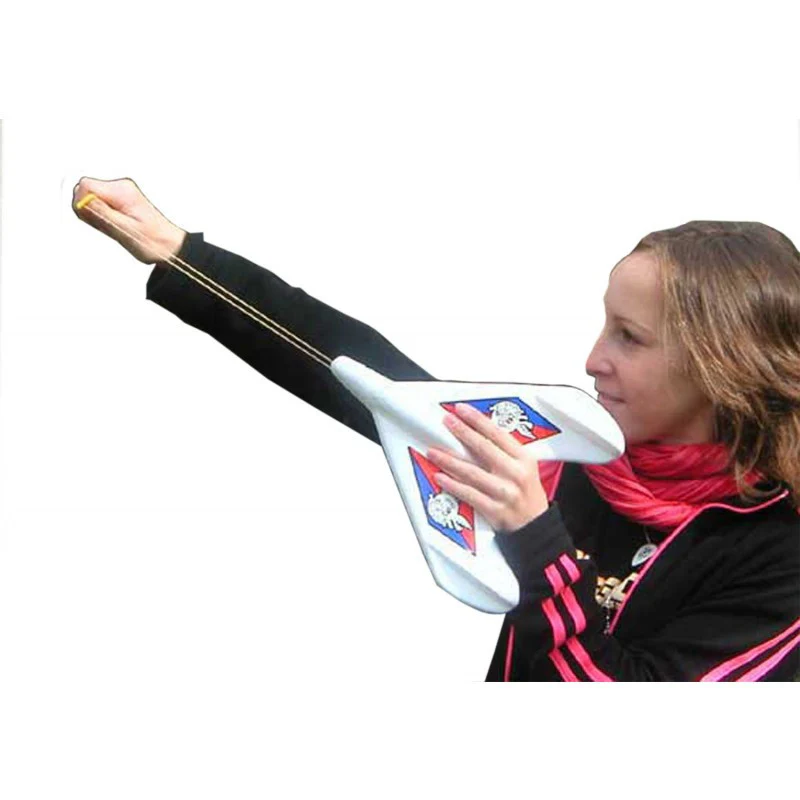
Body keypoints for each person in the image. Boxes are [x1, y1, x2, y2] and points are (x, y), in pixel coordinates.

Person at [72, 176, 800, 681]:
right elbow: (371, 385)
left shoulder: (782, 555)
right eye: (604, 324)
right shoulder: (577, 454)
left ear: (721, 368)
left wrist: (537, 539)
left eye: (629, 337)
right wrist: (179, 253)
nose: (591, 359)